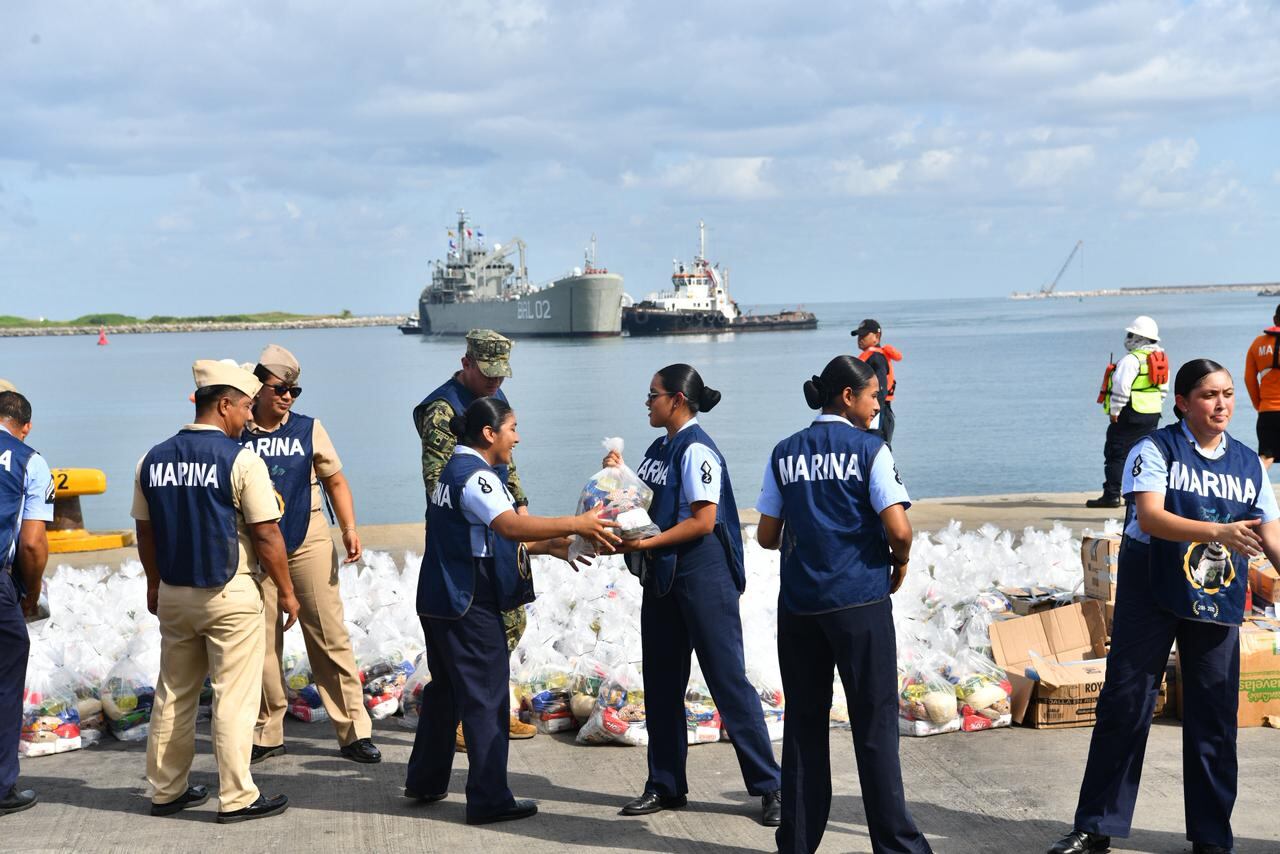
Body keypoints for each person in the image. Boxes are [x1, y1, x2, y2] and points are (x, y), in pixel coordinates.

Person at [1049, 359, 1280, 854]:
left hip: (1215, 599)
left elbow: (1269, 530)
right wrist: (1219, 531)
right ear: (1182, 403)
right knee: (1126, 706)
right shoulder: (1154, 449)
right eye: (1208, 395)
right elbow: (1151, 517)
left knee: (1214, 717)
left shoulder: (1247, 464)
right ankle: (1096, 827)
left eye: (1227, 394)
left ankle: (1212, 837)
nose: (1221, 404)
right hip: (1152, 593)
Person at [404, 396, 619, 824]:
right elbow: (509, 525)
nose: (517, 438)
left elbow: (485, 540)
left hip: (441, 598)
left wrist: (553, 548)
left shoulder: (452, 471)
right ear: (489, 433)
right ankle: (488, 799)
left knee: (445, 692)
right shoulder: (475, 476)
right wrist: (576, 524)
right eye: (513, 428)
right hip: (467, 604)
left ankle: (425, 781)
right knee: (486, 700)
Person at [756, 356, 932, 854]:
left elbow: (768, 535)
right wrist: (899, 562)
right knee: (874, 728)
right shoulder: (870, 450)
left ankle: (796, 842)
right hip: (858, 603)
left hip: (801, 607)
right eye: (873, 395)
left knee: (804, 726)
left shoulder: (783, 452)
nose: (879, 404)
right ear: (848, 397)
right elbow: (899, 528)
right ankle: (897, 846)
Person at [606, 364, 783, 826]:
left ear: (678, 400)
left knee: (727, 680)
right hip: (664, 574)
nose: (647, 402)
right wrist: (617, 476)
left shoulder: (697, 450)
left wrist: (647, 543)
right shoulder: (658, 448)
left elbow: (704, 521)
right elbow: (641, 500)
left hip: (703, 573)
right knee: (663, 682)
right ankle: (665, 784)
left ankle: (771, 787)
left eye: (653, 395)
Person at [134, 360, 301, 823]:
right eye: (246, 407)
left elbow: (144, 533)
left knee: (174, 693)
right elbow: (267, 534)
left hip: (174, 592)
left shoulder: (153, 457)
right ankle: (238, 796)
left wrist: (153, 583)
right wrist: (287, 592)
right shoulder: (241, 459)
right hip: (229, 593)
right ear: (224, 404)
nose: (249, 417)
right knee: (234, 696)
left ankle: (166, 790)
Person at [242, 344, 379, 765]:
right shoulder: (238, 430)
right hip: (255, 545)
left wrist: (350, 528)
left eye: (294, 391)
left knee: (330, 636)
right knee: (263, 643)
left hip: (308, 539)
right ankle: (268, 731)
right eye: (280, 388)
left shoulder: (309, 428)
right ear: (258, 389)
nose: (287, 397)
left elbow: (336, 480)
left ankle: (353, 730)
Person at [413, 329, 536, 743]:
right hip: (466, 535)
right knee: (471, 636)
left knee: (512, 619)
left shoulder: (495, 402)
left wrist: (519, 504)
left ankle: (489, 709)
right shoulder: (442, 410)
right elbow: (438, 481)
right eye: (487, 375)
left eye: (501, 377)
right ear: (466, 362)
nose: (495, 384)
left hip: (498, 523)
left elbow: (508, 462)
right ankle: (474, 718)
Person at [0, 387, 53, 817]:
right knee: (4, 681)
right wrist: (29, 595)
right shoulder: (28, 460)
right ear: (26, 426)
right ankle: (2, 788)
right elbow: (33, 543)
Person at [1088, 315, 1168, 508]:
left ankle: (1112, 495)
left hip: (1130, 413)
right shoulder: (1160, 359)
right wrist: (1154, 407)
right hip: (1152, 413)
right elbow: (1163, 389)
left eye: (1131, 334)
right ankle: (1136, 495)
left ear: (1138, 337)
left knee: (1116, 453)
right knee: (1143, 454)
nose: (1128, 338)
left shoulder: (1131, 360)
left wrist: (1115, 411)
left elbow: (1121, 388)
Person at [851, 318, 902, 446]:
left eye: (864, 335)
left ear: (877, 336)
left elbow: (882, 389)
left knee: (875, 449)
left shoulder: (876, 358)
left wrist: (872, 413)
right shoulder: (872, 356)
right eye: (858, 335)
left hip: (879, 413)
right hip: (877, 412)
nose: (860, 338)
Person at [1243, 304, 1280, 469]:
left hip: (1267, 411)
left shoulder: (1258, 344)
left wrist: (1259, 404)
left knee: (1266, 456)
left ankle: (1257, 491)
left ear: (1274, 320)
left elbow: (1249, 378)